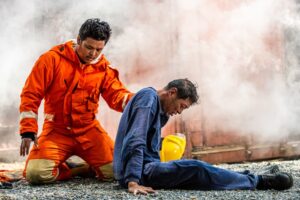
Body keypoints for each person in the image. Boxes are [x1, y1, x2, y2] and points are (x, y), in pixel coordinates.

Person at [113, 78, 293, 195]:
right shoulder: (148, 98)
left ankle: (251, 176)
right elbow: (134, 140)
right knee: (197, 168)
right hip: (139, 173)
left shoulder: (160, 110)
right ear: (172, 92)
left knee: (200, 171)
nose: (179, 112)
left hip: (143, 168)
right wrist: (133, 182)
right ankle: (260, 182)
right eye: (181, 106)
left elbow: (143, 140)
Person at [19, 18, 133, 184]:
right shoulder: (51, 60)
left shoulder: (104, 69)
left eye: (98, 49)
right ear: (79, 40)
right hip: (56, 131)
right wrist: (28, 130)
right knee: (35, 175)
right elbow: (31, 93)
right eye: (89, 47)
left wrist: (140, 100)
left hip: (89, 130)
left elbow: (117, 97)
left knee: (116, 173)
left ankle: (85, 165)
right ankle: (73, 168)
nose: (92, 54)